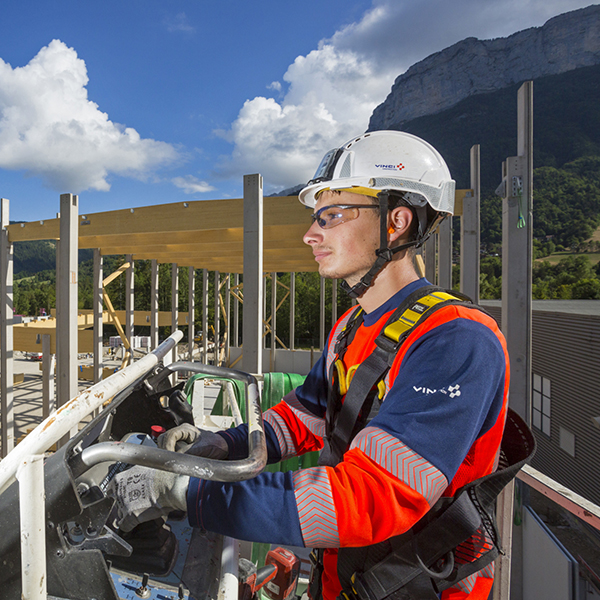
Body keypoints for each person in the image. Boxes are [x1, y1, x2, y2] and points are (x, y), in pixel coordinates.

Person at [110, 131, 510, 600]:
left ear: (396, 221)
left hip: (417, 585)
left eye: (333, 215)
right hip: (348, 575)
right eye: (315, 217)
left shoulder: (455, 340)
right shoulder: (354, 326)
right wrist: (218, 444)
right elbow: (304, 417)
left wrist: (184, 492)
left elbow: (373, 496)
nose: (310, 234)